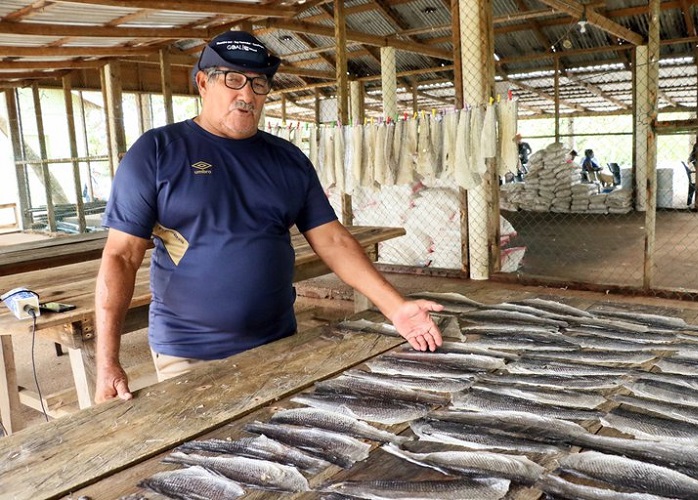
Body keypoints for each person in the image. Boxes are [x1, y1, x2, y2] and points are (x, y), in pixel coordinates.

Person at [94, 30, 444, 403]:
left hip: (277, 344)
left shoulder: (287, 159)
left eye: (258, 83)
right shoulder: (158, 151)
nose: (247, 95)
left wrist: (396, 307)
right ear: (202, 83)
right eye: (233, 80)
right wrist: (107, 362)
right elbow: (121, 256)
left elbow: (332, 239)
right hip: (188, 352)